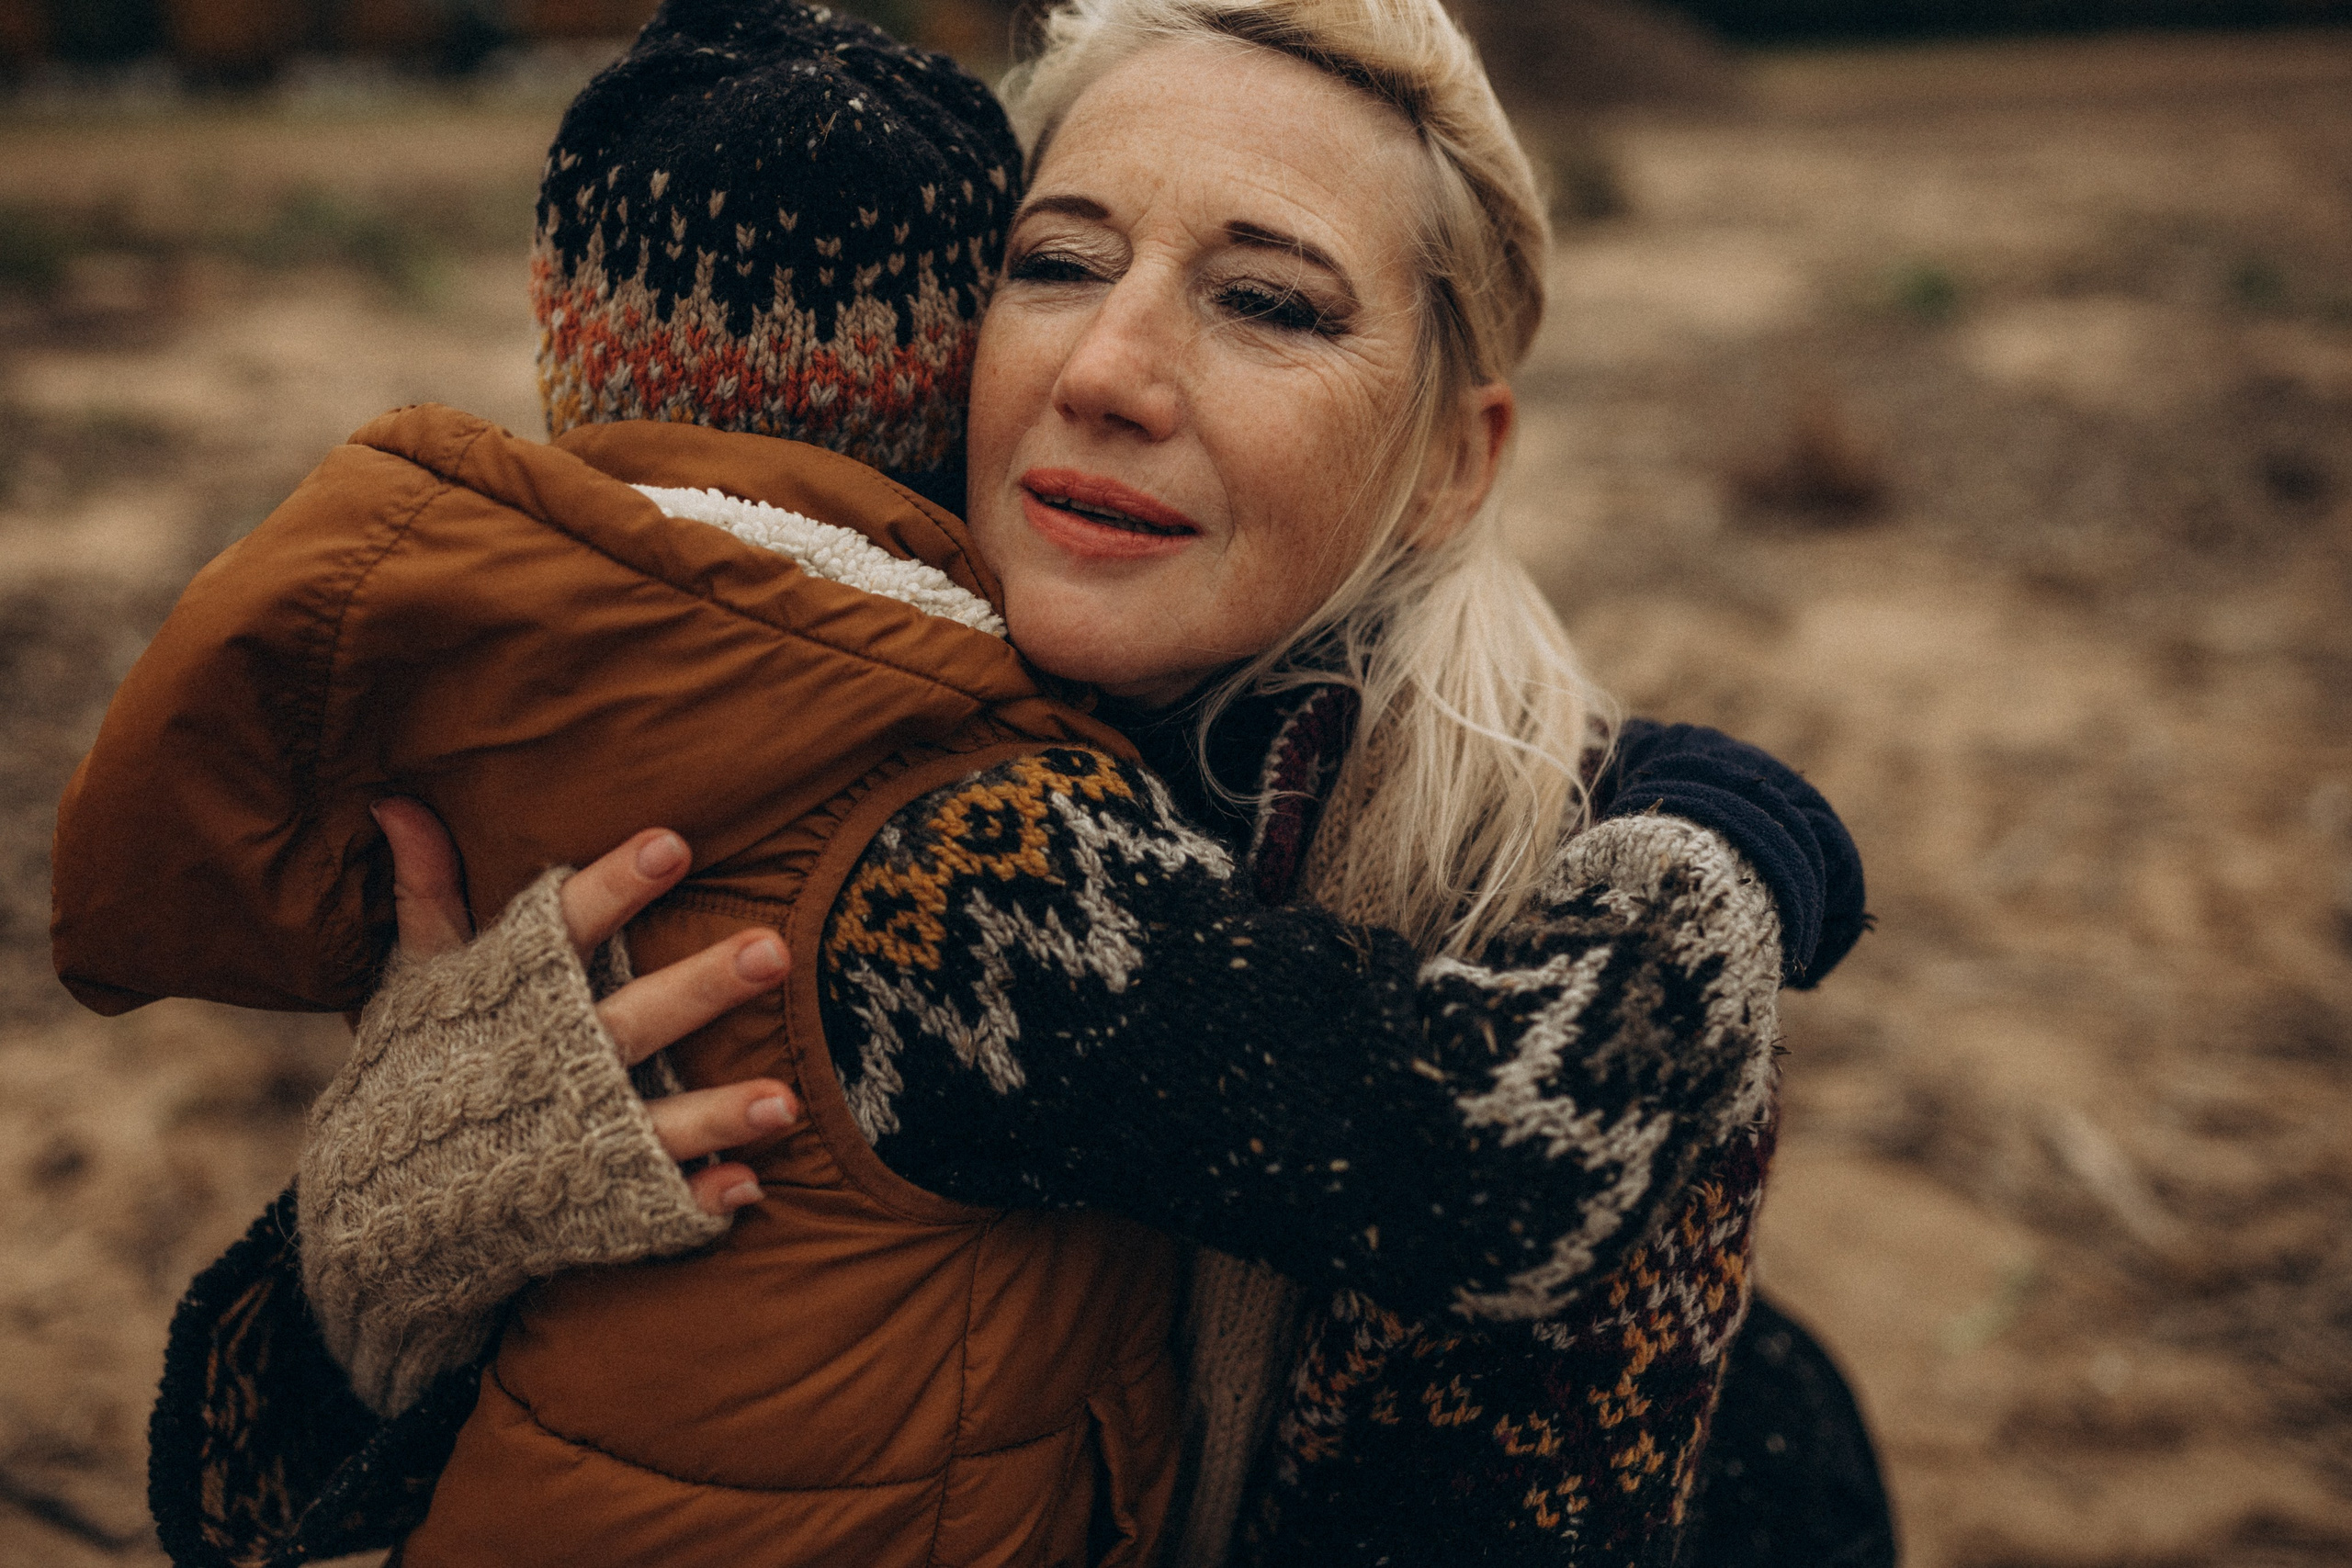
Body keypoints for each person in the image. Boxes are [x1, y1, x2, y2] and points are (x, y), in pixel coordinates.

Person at [52, 1, 1884, 1563]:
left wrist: (1715, 849)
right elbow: (231, 1490)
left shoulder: (1544, 911)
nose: (1104, 368)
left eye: (1265, 301)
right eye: (1056, 261)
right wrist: (385, 1245)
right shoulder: (749, 751)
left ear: (1448, 455)